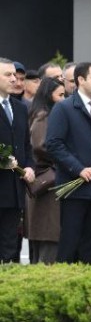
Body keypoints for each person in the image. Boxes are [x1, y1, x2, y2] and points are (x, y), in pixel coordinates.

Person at [44, 62, 91, 265]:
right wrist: (78, 168)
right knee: (70, 245)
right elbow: (54, 144)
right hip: (76, 190)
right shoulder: (64, 108)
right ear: (80, 80)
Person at [24, 76, 65, 264]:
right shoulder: (44, 116)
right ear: (49, 95)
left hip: (45, 181)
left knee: (44, 240)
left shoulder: (43, 114)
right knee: (47, 240)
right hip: (46, 183)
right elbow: (41, 145)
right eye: (61, 95)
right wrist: (67, 155)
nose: (64, 99)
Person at [0, 58, 35, 263]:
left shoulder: (20, 108)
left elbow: (26, 144)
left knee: (10, 246)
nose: (14, 79)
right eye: (8, 75)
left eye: (14, 75)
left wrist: (29, 166)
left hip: (15, 190)